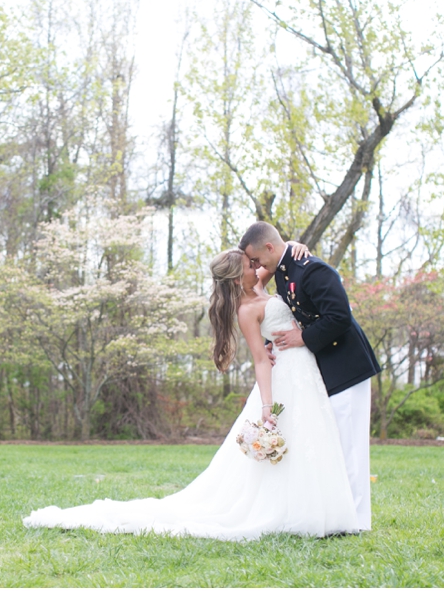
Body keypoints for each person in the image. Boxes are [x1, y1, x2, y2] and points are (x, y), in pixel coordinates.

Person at [22, 244, 359, 541]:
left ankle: (320, 510)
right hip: (283, 376)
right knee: (290, 441)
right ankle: (292, 513)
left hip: (305, 370)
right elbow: (260, 360)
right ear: (235, 278)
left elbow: (277, 259)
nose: (255, 267)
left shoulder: (259, 284)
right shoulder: (245, 310)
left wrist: (295, 245)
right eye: (248, 265)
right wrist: (267, 407)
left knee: (311, 440)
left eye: (254, 262)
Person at [239, 221, 381, 532]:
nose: (256, 267)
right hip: (321, 371)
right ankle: (339, 516)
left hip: (347, 366)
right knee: (333, 443)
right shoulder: (282, 269)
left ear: (270, 249)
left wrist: (303, 338)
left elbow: (339, 316)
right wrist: (269, 341)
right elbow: (285, 310)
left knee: (351, 447)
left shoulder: (313, 270)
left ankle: (356, 521)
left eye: (257, 260)